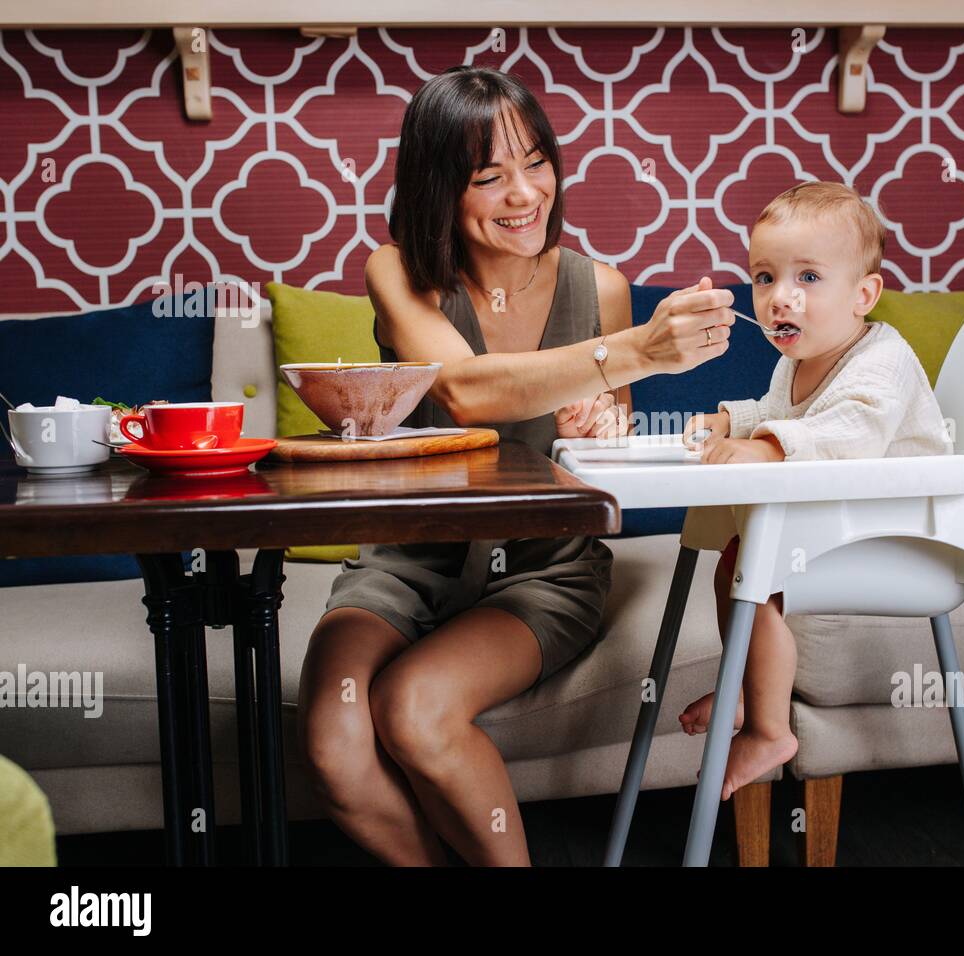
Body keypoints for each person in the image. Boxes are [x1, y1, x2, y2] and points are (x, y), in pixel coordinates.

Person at [298, 65, 735, 866]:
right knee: (331, 740)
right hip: (408, 559)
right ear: (439, 189)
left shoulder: (599, 288)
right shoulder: (397, 274)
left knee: (415, 709)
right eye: (490, 177)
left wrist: (611, 422)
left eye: (537, 163)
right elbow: (460, 389)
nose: (525, 193)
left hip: (543, 571)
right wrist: (637, 350)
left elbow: (603, 464)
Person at [677, 181, 952, 799]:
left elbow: (848, 432)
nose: (781, 298)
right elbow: (784, 412)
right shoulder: (796, 362)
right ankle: (748, 692)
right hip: (847, 524)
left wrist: (765, 447)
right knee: (735, 563)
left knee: (755, 561)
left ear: (864, 294)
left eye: (807, 279)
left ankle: (771, 731)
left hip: (906, 536)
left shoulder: (883, 360)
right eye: (766, 277)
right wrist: (732, 422)